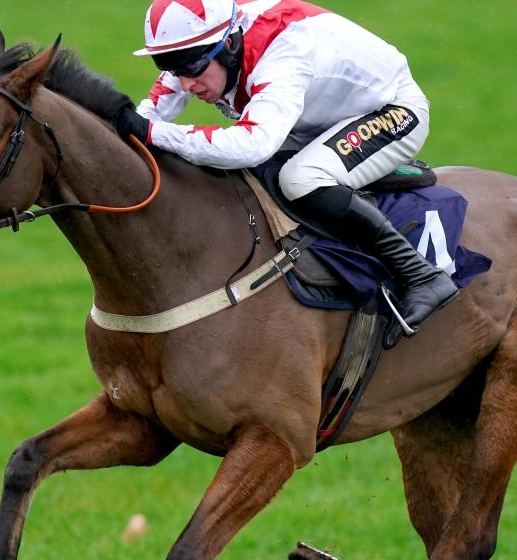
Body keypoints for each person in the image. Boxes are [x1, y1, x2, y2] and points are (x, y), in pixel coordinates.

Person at [115, 0, 459, 338]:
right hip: (321, 119)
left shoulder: (282, 56)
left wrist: (154, 133)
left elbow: (252, 144)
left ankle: (421, 275)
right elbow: (157, 103)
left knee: (299, 179)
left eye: (192, 67)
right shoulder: (213, 37)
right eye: (171, 67)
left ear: (230, 44)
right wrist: (133, 126)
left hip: (393, 111)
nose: (186, 84)